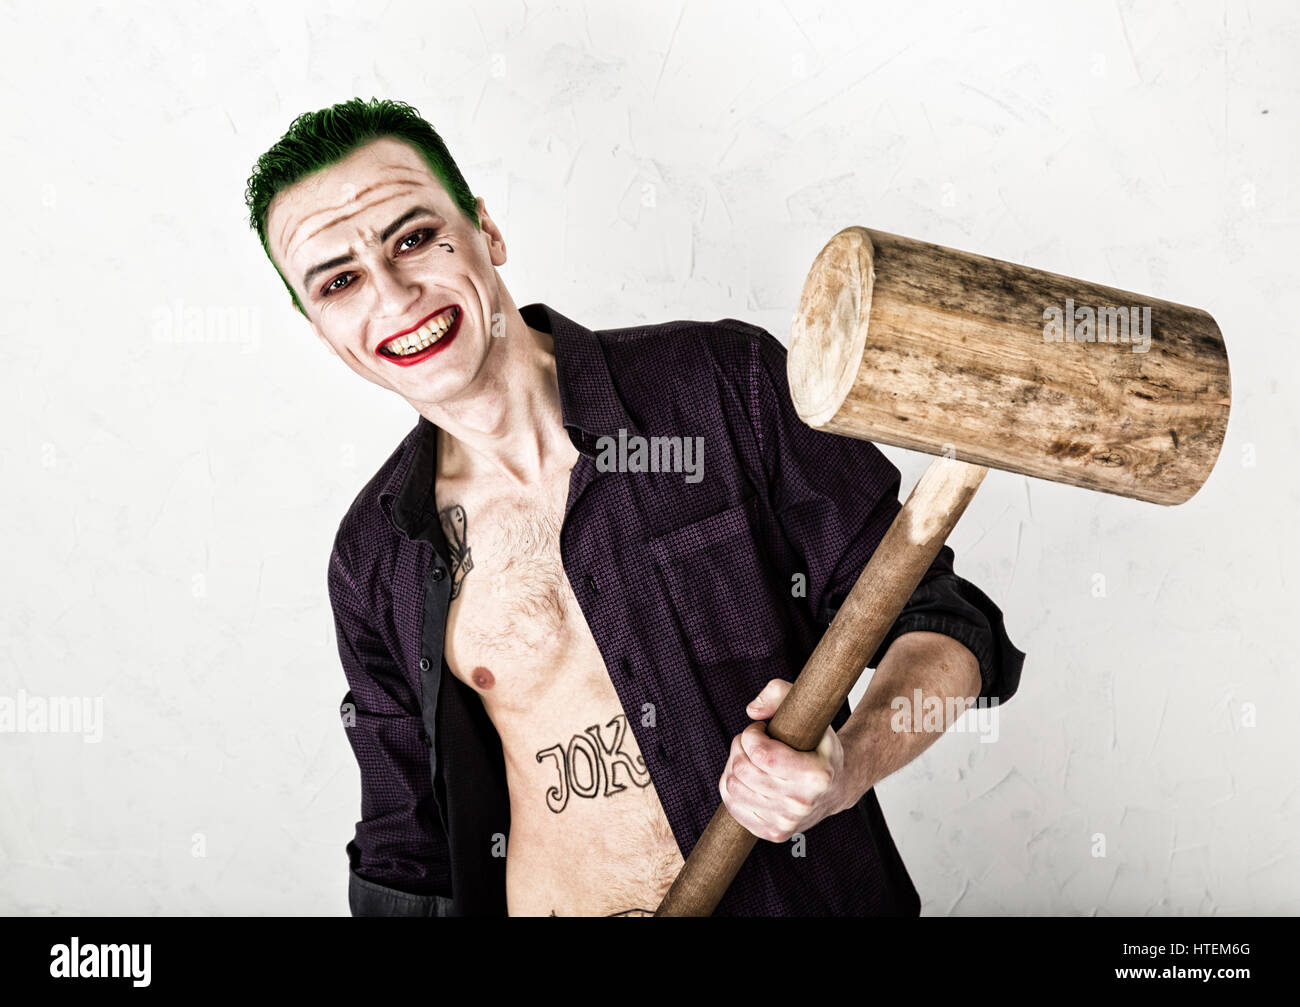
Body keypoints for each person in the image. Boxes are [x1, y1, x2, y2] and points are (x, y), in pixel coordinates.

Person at [244, 97, 1026, 917]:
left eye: (412, 238)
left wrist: (845, 767)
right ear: (321, 330)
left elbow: (944, 628)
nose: (395, 295)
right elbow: (406, 849)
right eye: (339, 281)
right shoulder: (376, 556)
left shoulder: (726, 386)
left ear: (486, 230)